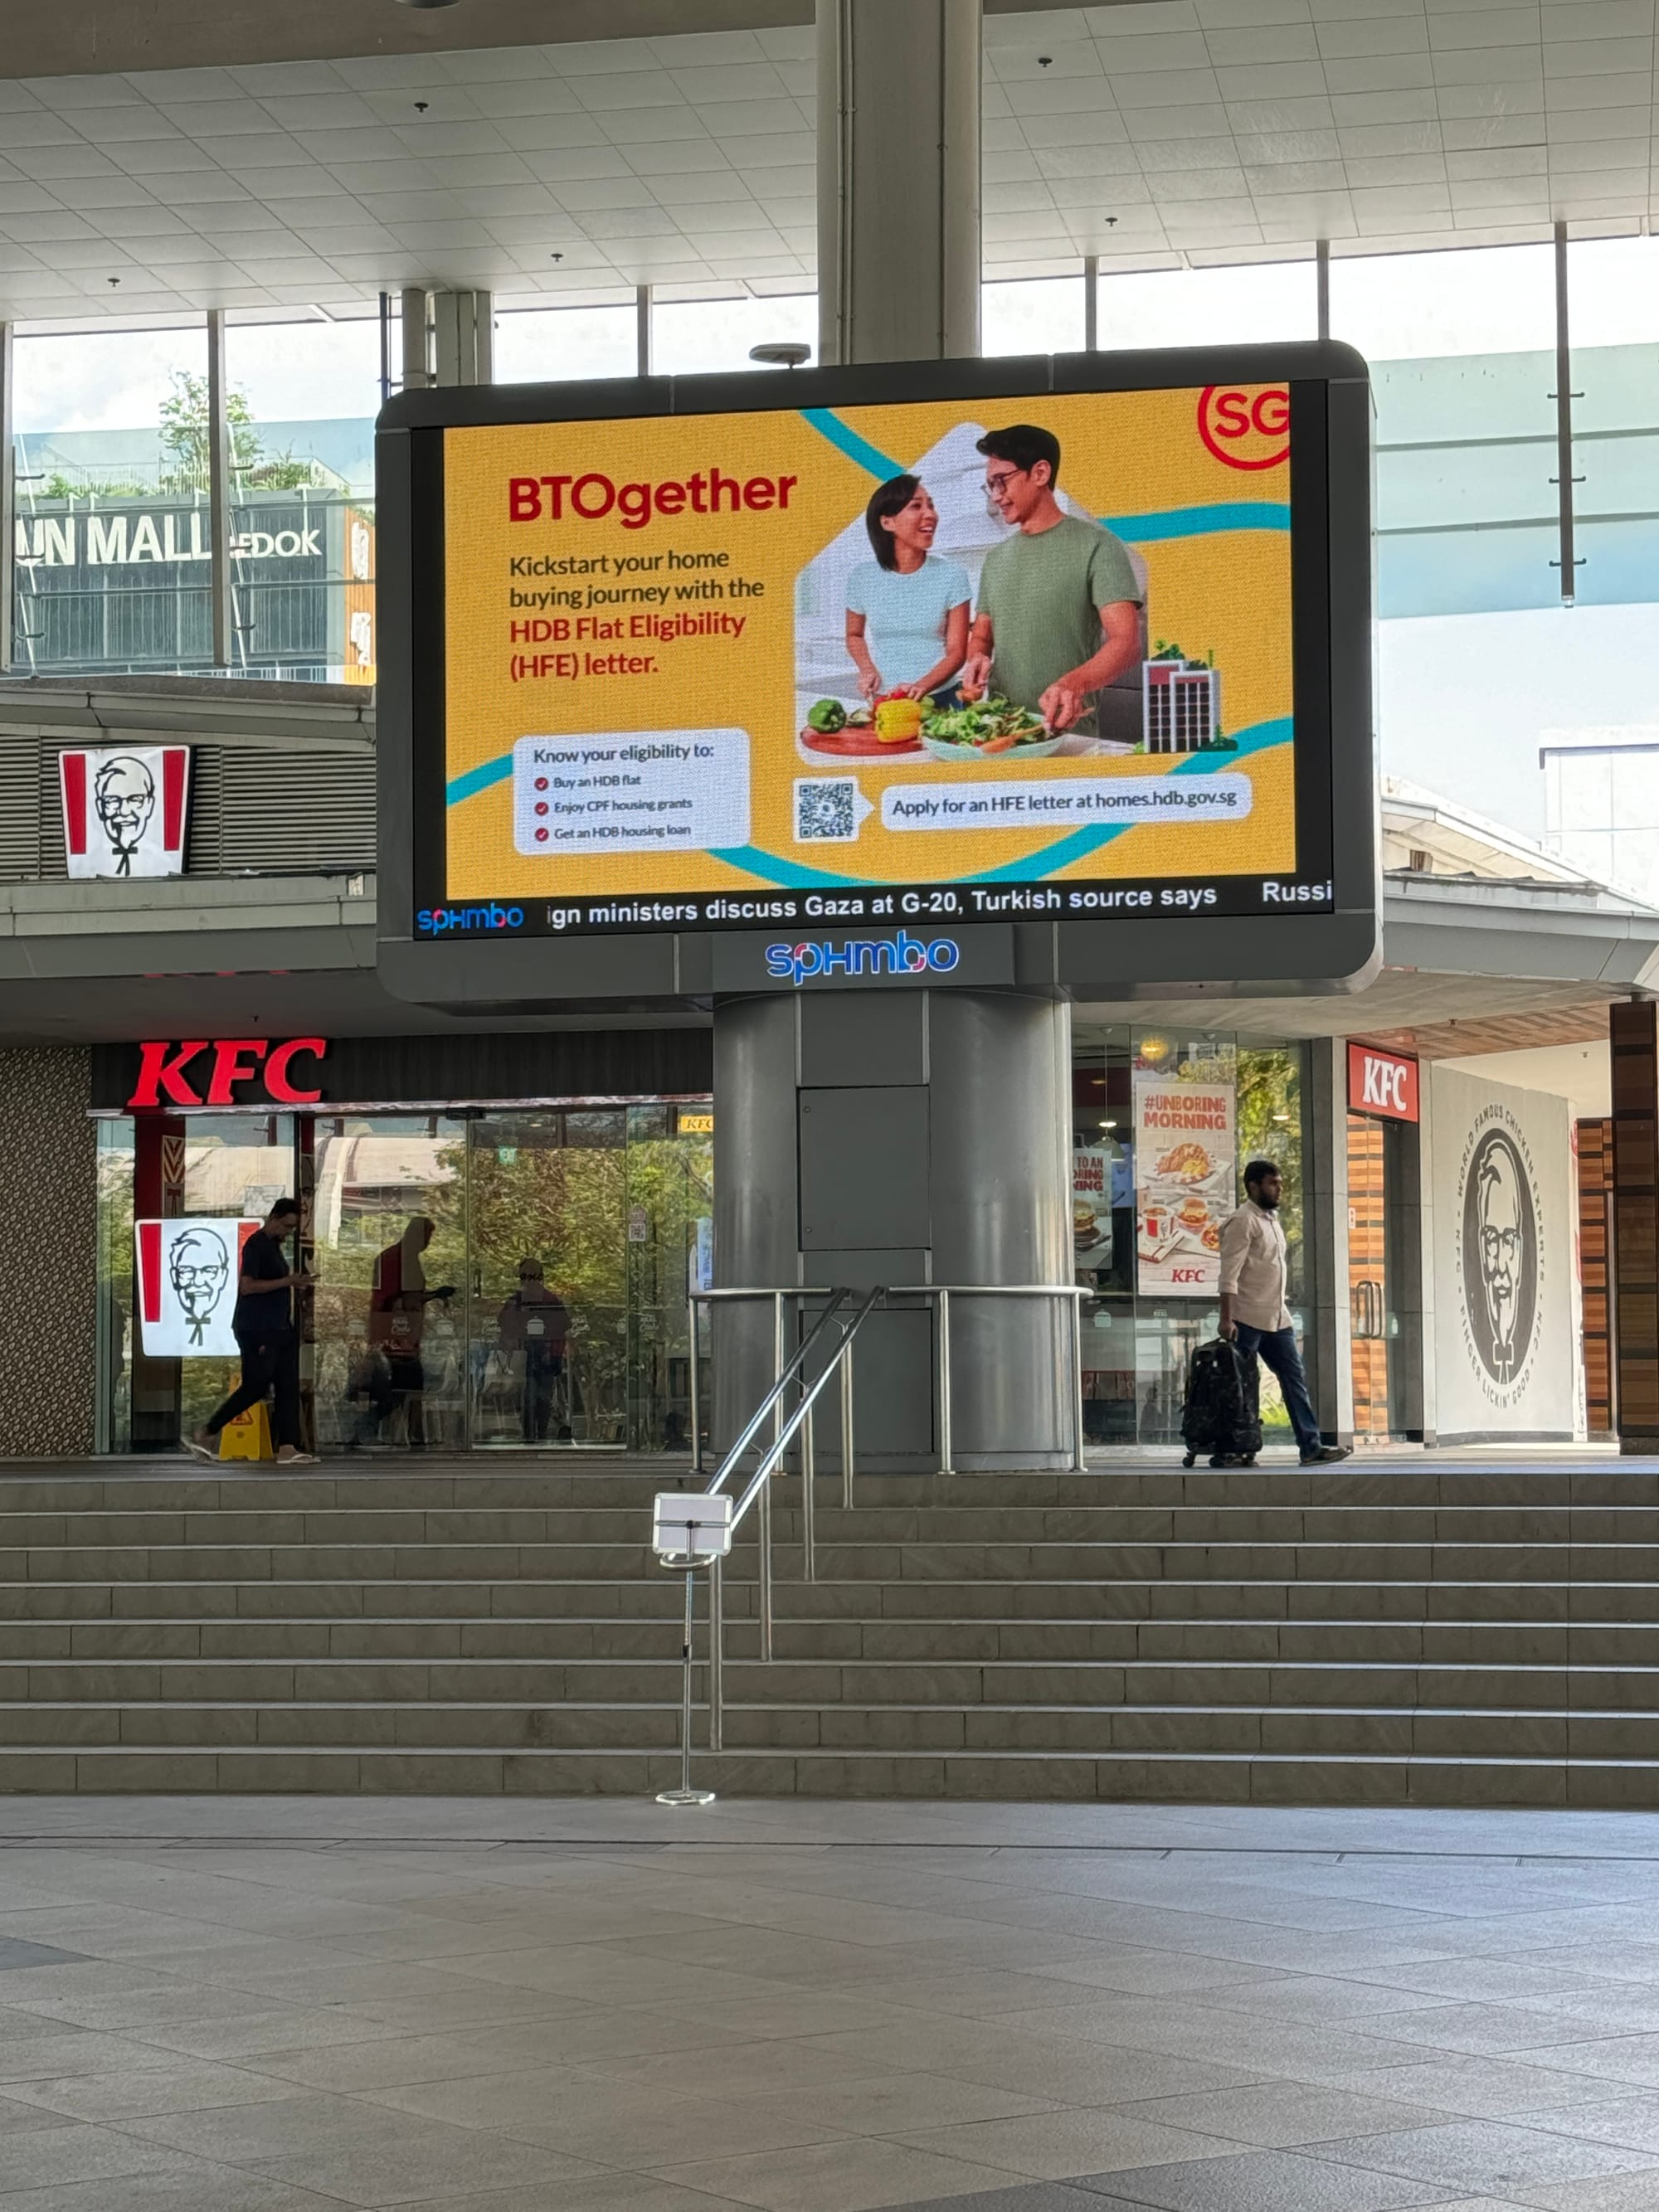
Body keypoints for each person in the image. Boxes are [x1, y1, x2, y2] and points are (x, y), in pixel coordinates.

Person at [960, 423, 1143, 744]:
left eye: (1002, 481)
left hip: (1067, 735)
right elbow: (983, 635)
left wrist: (1072, 686)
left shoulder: (1098, 545)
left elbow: (1126, 643)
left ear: (1041, 473)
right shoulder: (995, 559)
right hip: (998, 733)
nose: (997, 497)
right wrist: (977, 658)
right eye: (990, 486)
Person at [1218, 1159, 1350, 1469]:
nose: (1279, 1189)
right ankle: (1237, 1448)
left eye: (1279, 1183)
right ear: (1254, 1186)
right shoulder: (1242, 1221)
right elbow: (1229, 1275)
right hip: (1247, 1318)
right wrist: (1227, 1319)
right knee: (1241, 1386)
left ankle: (1311, 1446)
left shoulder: (1271, 1220)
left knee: (1294, 1379)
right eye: (1273, 1183)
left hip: (1278, 1318)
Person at [187, 1197, 316, 1466]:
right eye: (286, 1226)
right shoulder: (257, 1244)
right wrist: (288, 1281)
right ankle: (208, 1431)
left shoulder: (274, 1247)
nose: (287, 1232)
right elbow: (247, 1286)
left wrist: (294, 1286)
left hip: (279, 1327)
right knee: (256, 1385)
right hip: (258, 1327)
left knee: (287, 1385)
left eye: (292, 1228)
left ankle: (288, 1447)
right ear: (274, 1218)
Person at [844, 474, 971, 703]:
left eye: (931, 506)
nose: (931, 514)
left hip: (940, 698)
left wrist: (919, 687)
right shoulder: (862, 577)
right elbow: (854, 635)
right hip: (886, 698)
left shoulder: (952, 576)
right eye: (916, 506)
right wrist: (867, 669)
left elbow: (957, 653)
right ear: (887, 523)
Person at [357, 1216, 455, 1449]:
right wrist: (432, 1296)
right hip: (394, 1337)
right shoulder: (394, 1259)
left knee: (407, 1388)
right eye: (427, 1237)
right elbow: (397, 1299)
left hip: (405, 1335)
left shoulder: (405, 1259)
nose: (428, 1243)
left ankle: (414, 1435)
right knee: (404, 1387)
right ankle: (376, 1428)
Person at [497, 1259, 571, 1444]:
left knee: (539, 1398)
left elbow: (562, 1325)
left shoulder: (546, 1300)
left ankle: (537, 1436)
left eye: (531, 1275)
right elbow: (505, 1323)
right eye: (525, 1276)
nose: (528, 1280)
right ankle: (533, 1436)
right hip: (529, 1356)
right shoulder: (521, 1301)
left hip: (542, 1357)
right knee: (533, 1397)